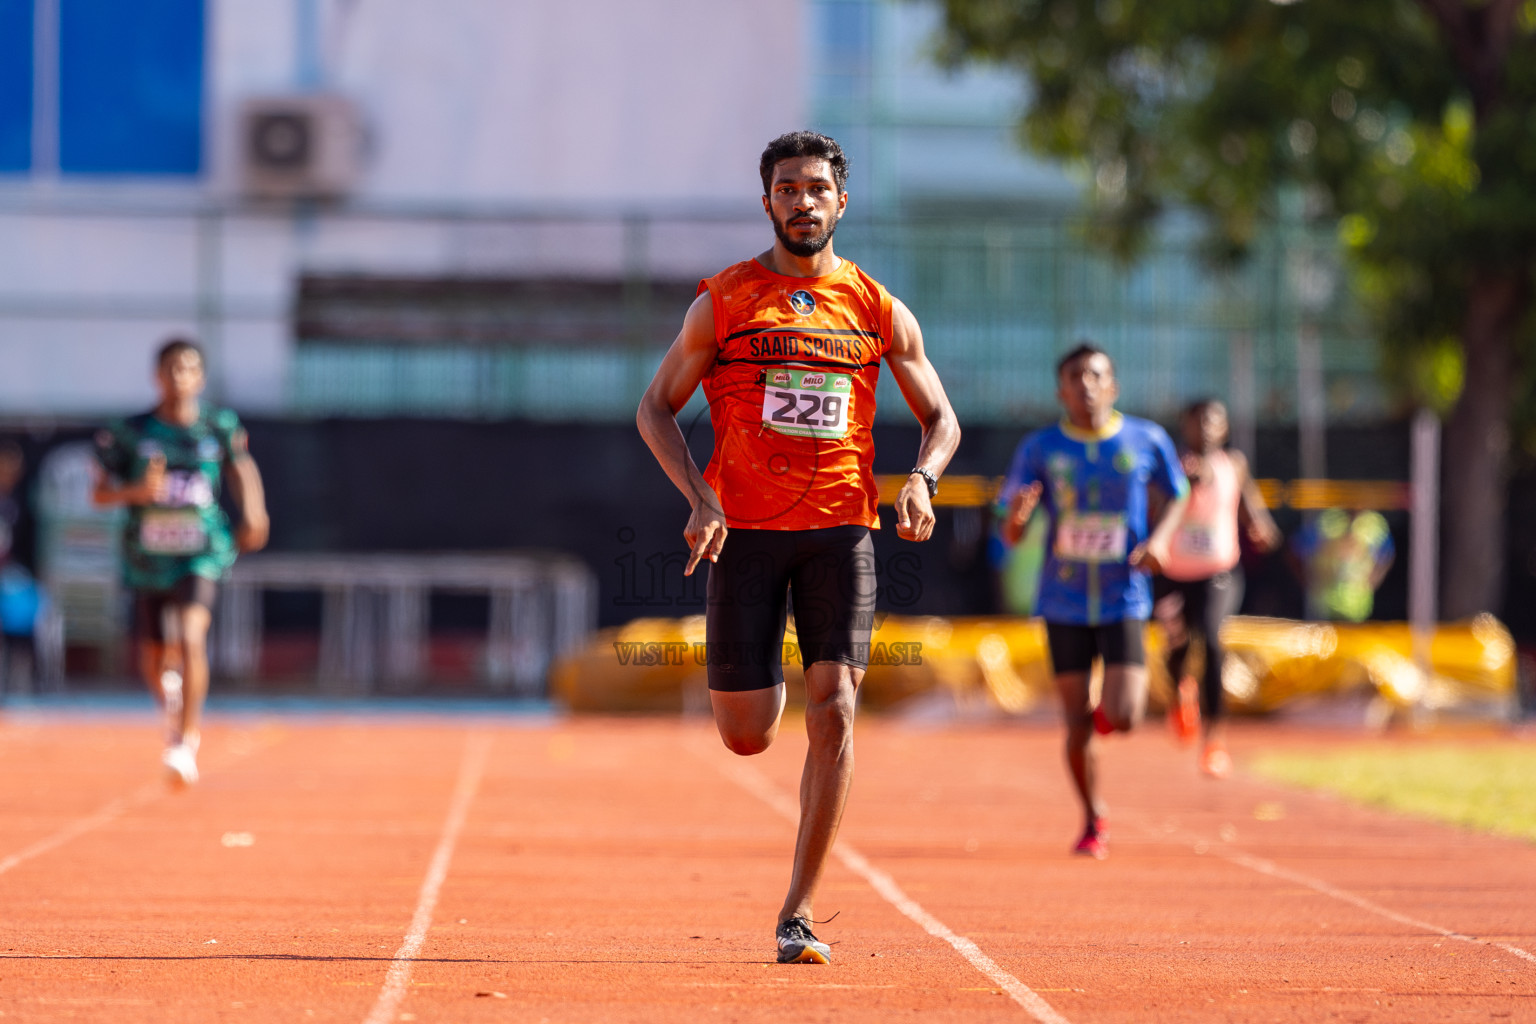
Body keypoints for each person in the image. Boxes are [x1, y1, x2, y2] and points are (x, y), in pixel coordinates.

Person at [637, 131, 960, 963]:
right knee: (746, 736)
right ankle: (768, 677)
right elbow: (655, 408)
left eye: (818, 188)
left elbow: (942, 419)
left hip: (839, 534)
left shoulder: (878, 307)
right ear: (769, 201)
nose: (804, 202)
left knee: (838, 709)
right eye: (788, 189)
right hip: (744, 535)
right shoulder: (726, 299)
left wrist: (922, 479)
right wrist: (701, 495)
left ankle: (798, 914)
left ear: (840, 203)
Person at [1000, 344, 1187, 860]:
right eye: (1075, 376)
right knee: (1074, 720)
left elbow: (1179, 493)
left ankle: (1095, 729)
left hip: (1124, 593)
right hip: (1063, 599)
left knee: (1124, 715)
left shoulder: (1146, 439)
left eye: (1095, 374)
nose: (1086, 383)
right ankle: (1092, 817)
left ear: (1113, 386)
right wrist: (1018, 515)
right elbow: (1011, 531)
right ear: (1060, 389)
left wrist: (1163, 539)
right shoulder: (1040, 447)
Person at [93, 339, 269, 786]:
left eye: (188, 368)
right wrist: (135, 492)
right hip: (147, 555)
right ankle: (170, 696)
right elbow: (99, 493)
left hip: (200, 550)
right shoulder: (129, 432)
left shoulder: (218, 425)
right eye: (170, 368)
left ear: (200, 377)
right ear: (157, 376)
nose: (178, 377)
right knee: (153, 659)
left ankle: (184, 742)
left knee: (192, 637)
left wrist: (254, 511)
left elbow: (241, 466)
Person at [1153, 399, 1281, 778]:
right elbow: (1152, 508)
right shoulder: (1171, 464)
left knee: (1211, 640)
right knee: (1176, 648)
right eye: (1198, 421)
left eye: (1214, 421)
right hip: (1172, 573)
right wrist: (1183, 487)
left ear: (1224, 428)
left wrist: (1263, 529)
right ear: (1185, 425)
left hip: (1218, 572)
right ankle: (1181, 691)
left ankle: (1214, 741)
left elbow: (1252, 509)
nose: (1206, 428)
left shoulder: (1234, 464)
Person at [1291, 507, 1395, 623]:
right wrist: (1309, 582)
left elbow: (1387, 554)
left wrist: (1374, 580)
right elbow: (1296, 549)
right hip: (1324, 609)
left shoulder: (1375, 524)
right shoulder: (1326, 519)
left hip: (1358, 609)